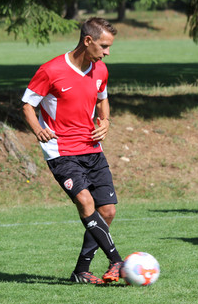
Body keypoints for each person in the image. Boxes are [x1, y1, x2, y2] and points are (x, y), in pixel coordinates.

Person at [21, 17, 123, 283]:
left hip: (92, 148)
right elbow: (27, 105)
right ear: (87, 41)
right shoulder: (51, 70)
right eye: (104, 46)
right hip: (61, 150)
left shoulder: (100, 70)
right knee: (85, 202)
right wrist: (37, 129)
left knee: (108, 211)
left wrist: (106, 122)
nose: (107, 52)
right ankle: (117, 261)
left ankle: (81, 270)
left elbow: (103, 100)